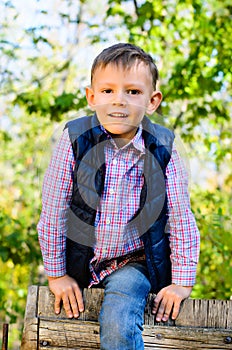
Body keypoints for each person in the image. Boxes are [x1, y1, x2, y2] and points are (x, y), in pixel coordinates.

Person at [37, 43, 200, 350]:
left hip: (133, 261)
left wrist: (181, 282)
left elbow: (180, 218)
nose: (119, 101)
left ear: (152, 101)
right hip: (81, 258)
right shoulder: (74, 139)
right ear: (92, 97)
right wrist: (57, 275)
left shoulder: (164, 147)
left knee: (118, 319)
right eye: (108, 90)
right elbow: (54, 210)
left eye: (133, 92)